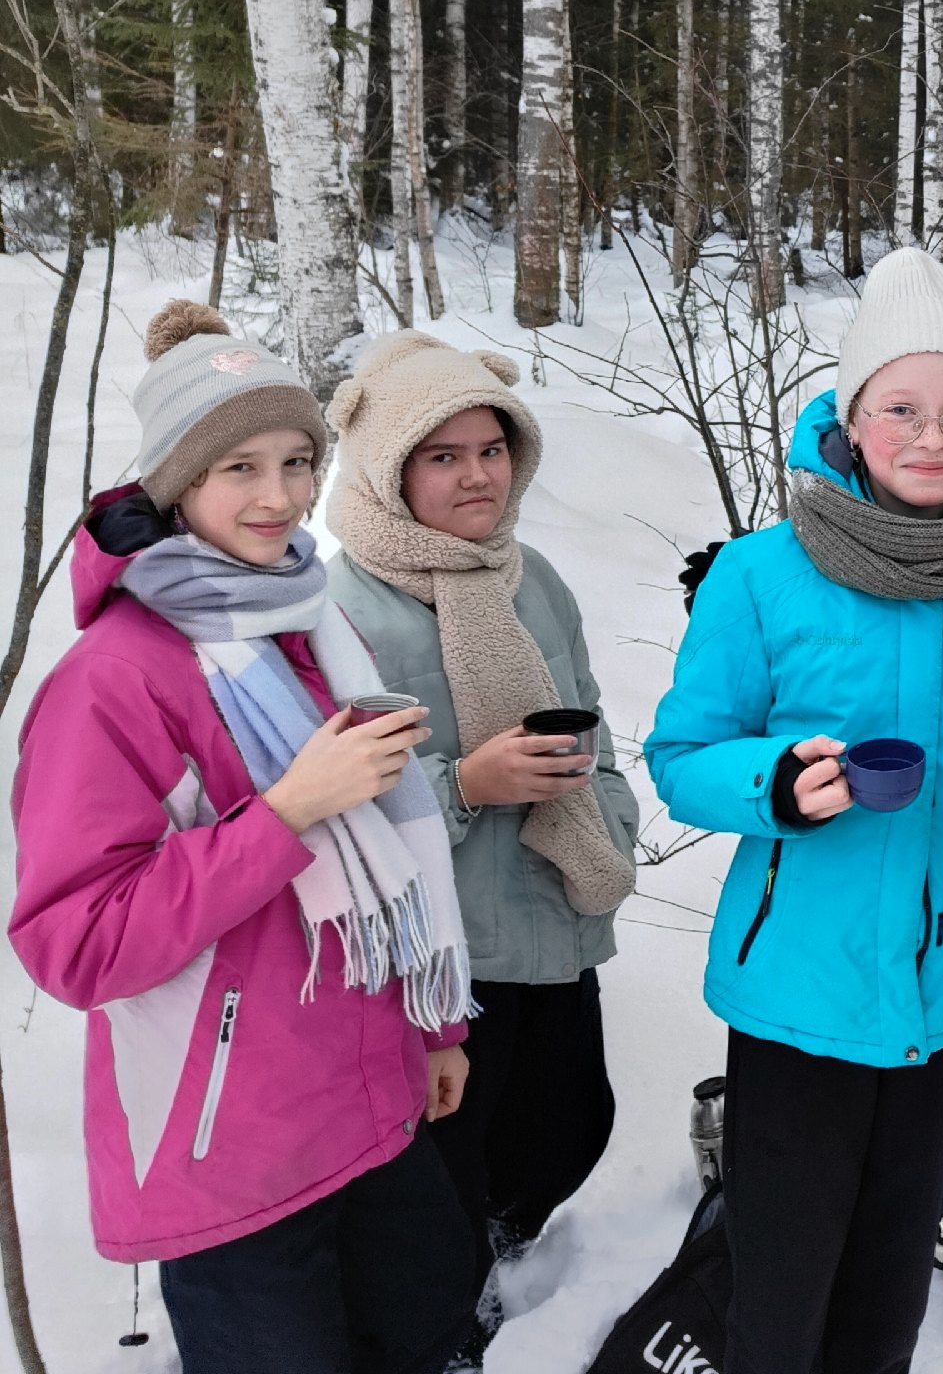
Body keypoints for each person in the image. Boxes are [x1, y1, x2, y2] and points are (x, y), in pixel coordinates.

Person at [646, 248, 943, 1374]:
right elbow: (682, 755)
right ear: (850, 417)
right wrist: (777, 784)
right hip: (800, 980)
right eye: (901, 407)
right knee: (784, 1270)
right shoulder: (760, 575)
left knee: (895, 1255)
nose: (933, 437)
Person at [10, 302, 476, 1373]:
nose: (280, 498)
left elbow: (383, 863)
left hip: (369, 1101)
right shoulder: (111, 683)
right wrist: (281, 816)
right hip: (227, 1147)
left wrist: (432, 1032)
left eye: (298, 460)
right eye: (240, 470)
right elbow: (75, 944)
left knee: (428, 1326)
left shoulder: (305, 619)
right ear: (176, 483)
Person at [323, 332, 638, 1353]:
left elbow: (589, 714)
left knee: (569, 1122)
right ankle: (447, 1320)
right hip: (440, 953)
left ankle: (505, 1246)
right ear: (389, 471)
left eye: (490, 450)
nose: (475, 476)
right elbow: (327, 803)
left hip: (549, 912)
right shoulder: (340, 608)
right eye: (443, 456)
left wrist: (609, 824)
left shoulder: (530, 576)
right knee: (439, 1170)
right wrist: (467, 783)